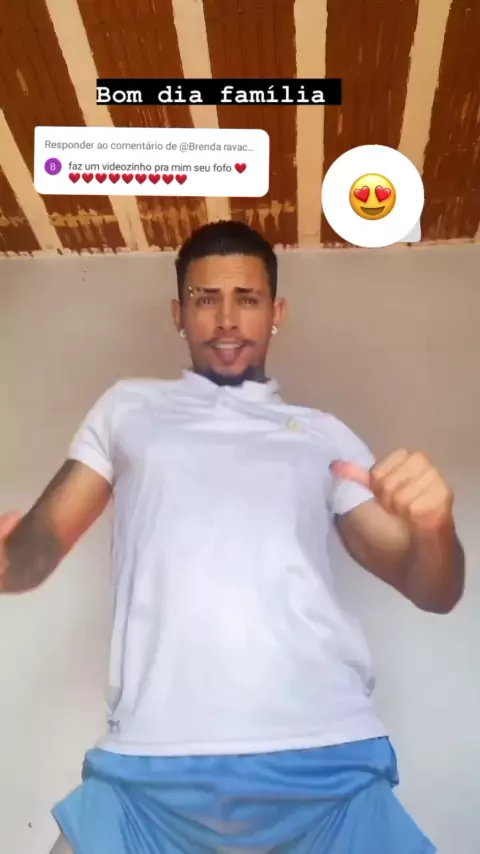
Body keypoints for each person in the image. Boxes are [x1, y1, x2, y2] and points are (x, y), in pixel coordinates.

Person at [0, 221, 464, 854]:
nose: (226, 319)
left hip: (326, 762)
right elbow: (33, 553)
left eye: (247, 299)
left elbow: (433, 588)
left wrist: (435, 527)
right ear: (178, 313)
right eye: (205, 298)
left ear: (276, 313)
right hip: (149, 765)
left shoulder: (322, 434)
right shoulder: (126, 409)